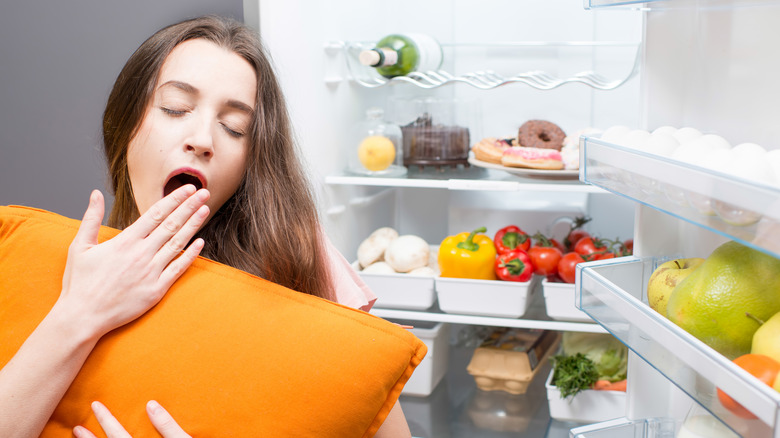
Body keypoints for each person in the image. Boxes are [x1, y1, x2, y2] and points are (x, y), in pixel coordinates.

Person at [0, 15, 411, 437]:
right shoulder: (53, 269)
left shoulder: (301, 258)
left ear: (250, 162)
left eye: (234, 128)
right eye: (175, 108)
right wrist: (79, 313)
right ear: (125, 126)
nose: (203, 139)